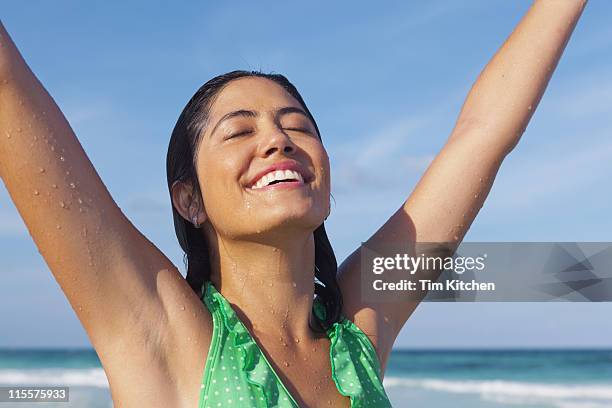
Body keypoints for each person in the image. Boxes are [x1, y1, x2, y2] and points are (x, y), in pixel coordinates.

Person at [0, 1, 588, 406]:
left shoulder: (361, 331)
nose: (277, 140)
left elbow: (482, 134)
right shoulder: (163, 332)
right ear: (189, 200)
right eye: (238, 131)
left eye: (297, 126)